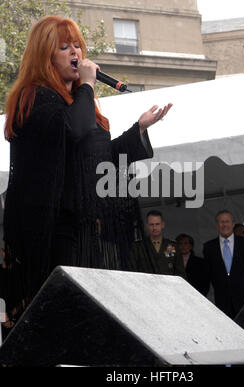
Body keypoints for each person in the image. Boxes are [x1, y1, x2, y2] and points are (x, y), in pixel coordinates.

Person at [2, 15, 172, 314]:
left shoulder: (74, 103)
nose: (76, 53)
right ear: (45, 56)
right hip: (50, 231)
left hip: (81, 229)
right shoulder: (36, 97)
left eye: (78, 46)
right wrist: (88, 85)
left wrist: (139, 130)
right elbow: (75, 130)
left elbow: (97, 158)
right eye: (65, 47)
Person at [202, 210, 244, 318]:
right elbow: (207, 275)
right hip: (222, 300)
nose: (224, 225)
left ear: (233, 224)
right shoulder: (209, 247)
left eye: (227, 221)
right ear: (217, 225)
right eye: (221, 222)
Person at [129, 210, 186, 277]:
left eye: (157, 224)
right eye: (151, 224)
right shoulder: (138, 247)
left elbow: (180, 273)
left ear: (162, 225)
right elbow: (132, 273)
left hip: (168, 285)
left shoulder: (171, 246)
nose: (154, 228)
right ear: (147, 226)